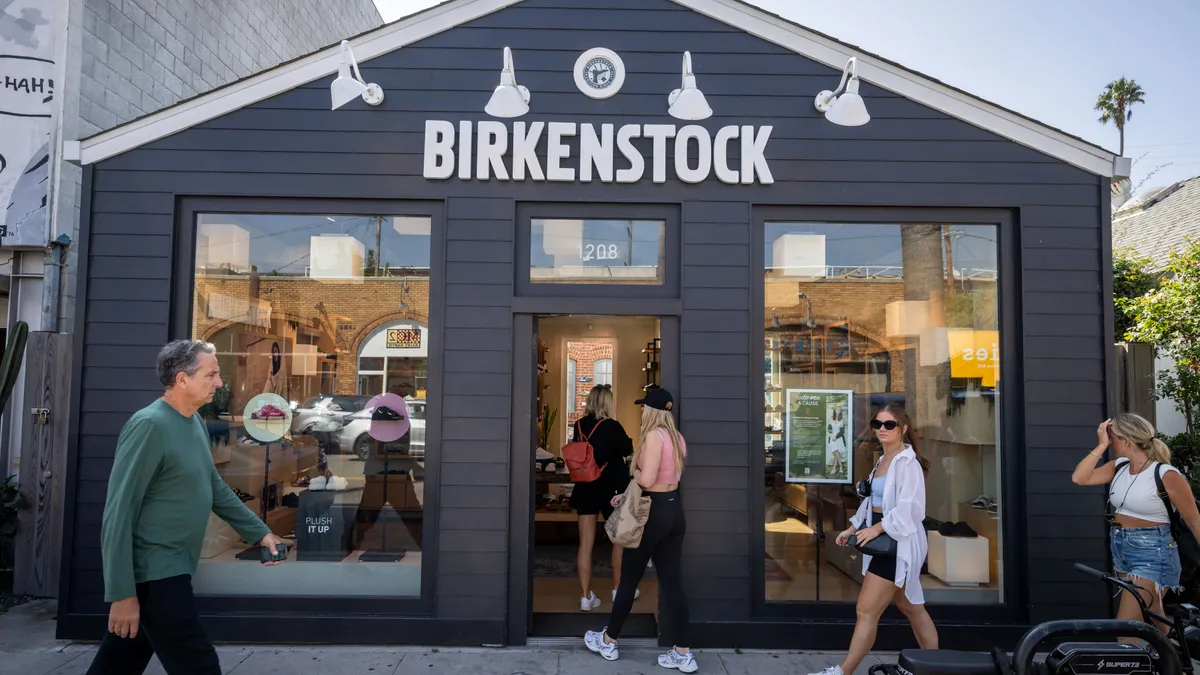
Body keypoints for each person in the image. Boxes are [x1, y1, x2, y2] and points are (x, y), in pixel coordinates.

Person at [85, 340, 287, 675]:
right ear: (182, 379)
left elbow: (214, 486)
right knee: (199, 664)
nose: (220, 383)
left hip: (175, 566)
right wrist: (121, 594)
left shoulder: (192, 422)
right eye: (212, 374)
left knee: (118, 663)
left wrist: (260, 532)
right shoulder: (149, 425)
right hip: (155, 573)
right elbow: (118, 512)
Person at [811, 404, 938, 675]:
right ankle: (936, 666)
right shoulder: (883, 459)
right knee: (912, 607)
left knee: (866, 610)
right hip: (884, 538)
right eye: (877, 423)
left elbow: (909, 510)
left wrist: (877, 529)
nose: (881, 429)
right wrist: (853, 528)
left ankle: (843, 671)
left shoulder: (908, 463)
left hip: (896, 544)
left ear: (903, 429)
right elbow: (873, 503)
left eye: (889, 424)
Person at [585, 387, 697, 673]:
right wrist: (625, 495)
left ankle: (608, 640)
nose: (641, 410)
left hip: (653, 513)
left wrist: (633, 473)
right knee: (672, 584)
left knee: (628, 580)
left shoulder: (653, 437)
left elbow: (646, 479)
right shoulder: (678, 438)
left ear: (652, 411)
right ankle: (683, 652)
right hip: (674, 510)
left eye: (644, 407)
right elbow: (672, 477)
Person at [1071, 413, 1200, 632]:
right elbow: (1080, 478)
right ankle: (1178, 663)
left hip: (1154, 553)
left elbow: (1194, 521)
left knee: (1125, 628)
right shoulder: (1119, 466)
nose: (1109, 442)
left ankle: (1128, 663)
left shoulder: (1166, 474)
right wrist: (1100, 445)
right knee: (1157, 619)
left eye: (1112, 438)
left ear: (1126, 440)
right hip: (1122, 549)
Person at [569, 384, 638, 612]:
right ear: (607, 402)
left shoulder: (578, 425)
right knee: (618, 541)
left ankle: (585, 597)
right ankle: (618, 590)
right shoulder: (612, 426)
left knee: (585, 544)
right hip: (612, 491)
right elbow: (628, 449)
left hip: (586, 488)